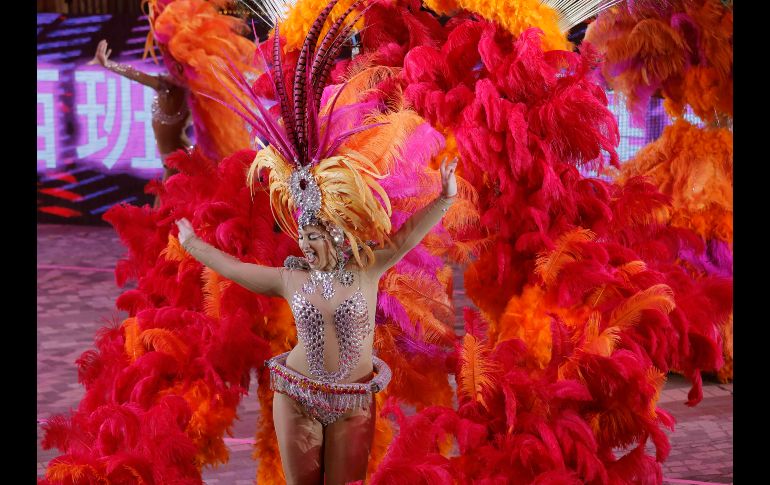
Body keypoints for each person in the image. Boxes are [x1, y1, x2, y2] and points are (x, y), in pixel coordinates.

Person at [89, 39, 192, 207]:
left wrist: (109, 65)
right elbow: (136, 74)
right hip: (178, 155)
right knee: (169, 205)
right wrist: (108, 65)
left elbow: (136, 75)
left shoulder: (172, 88)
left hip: (177, 157)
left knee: (162, 208)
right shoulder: (176, 87)